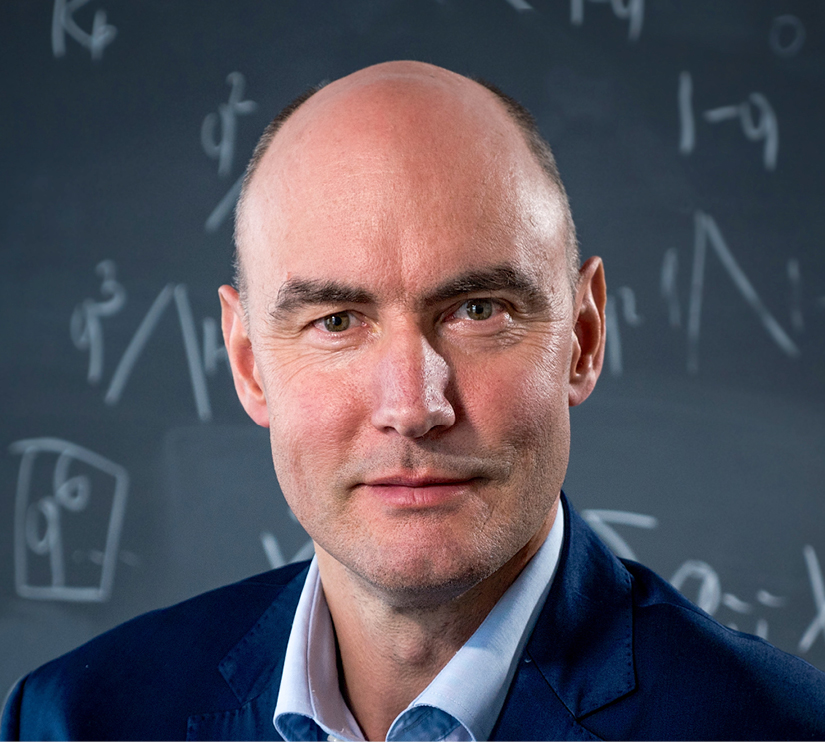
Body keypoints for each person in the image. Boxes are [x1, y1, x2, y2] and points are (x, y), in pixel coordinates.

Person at [3, 60, 825, 742]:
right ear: (249, 363)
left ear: (581, 335)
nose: (413, 404)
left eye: (477, 311)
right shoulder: (74, 722)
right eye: (336, 320)